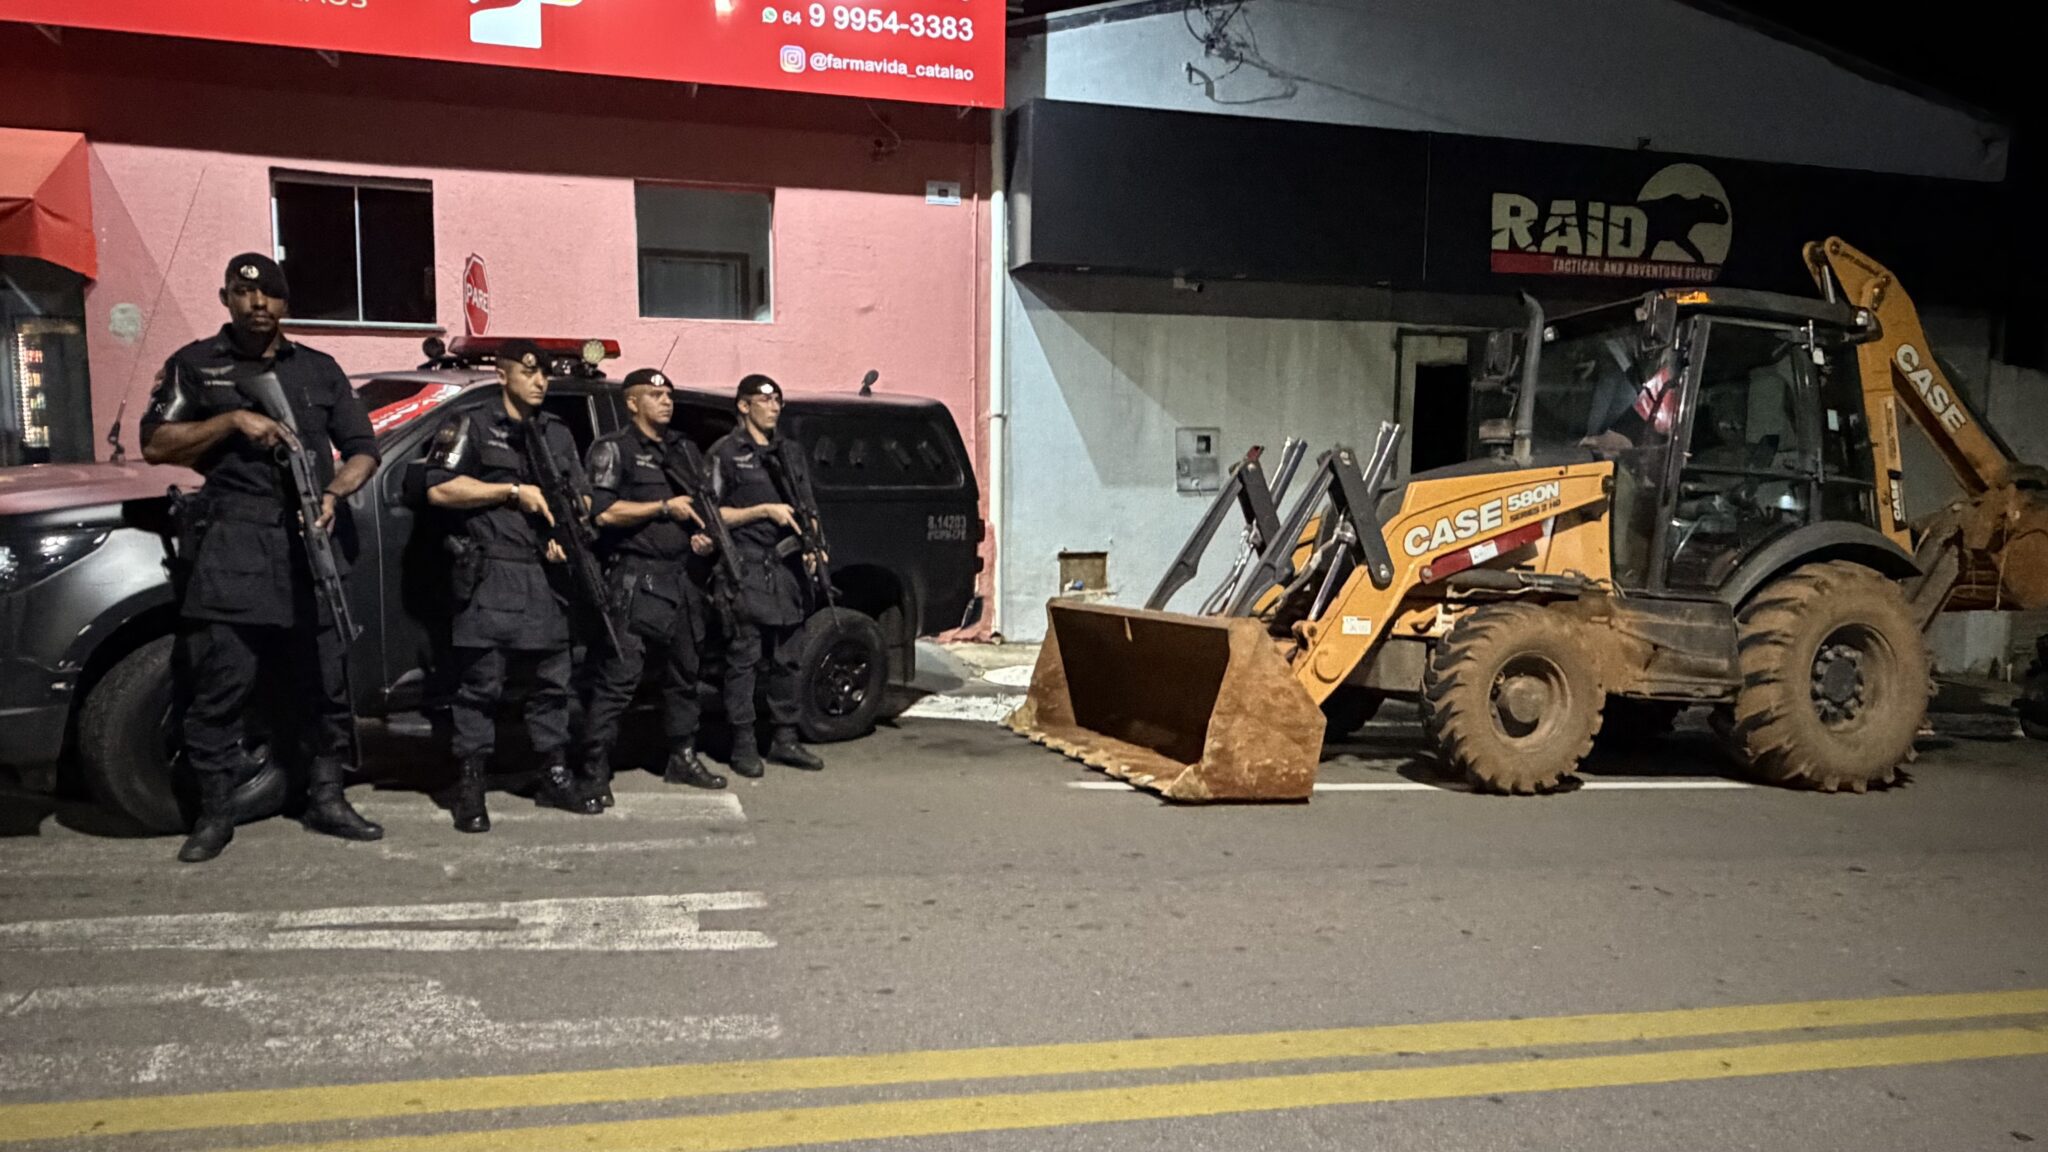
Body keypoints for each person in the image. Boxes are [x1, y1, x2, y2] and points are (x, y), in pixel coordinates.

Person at [140, 253, 384, 863]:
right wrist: (231, 420)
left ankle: (326, 797)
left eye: (270, 296)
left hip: (312, 543)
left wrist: (334, 492)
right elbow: (155, 443)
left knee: (325, 684)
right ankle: (215, 814)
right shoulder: (196, 365)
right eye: (244, 295)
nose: (257, 306)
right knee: (223, 684)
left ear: (284, 303)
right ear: (225, 297)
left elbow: (362, 449)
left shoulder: (320, 370)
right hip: (234, 547)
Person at [423, 339, 601, 830]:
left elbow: (582, 497)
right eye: (528, 372)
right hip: (492, 574)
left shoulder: (558, 434)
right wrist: (512, 491)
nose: (540, 381)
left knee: (552, 685)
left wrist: (567, 530)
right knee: (480, 686)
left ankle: (555, 775)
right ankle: (471, 784)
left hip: (545, 577)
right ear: (503, 375)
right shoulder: (474, 424)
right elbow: (439, 487)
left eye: (544, 373)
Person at [577, 369, 727, 803]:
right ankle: (593, 768)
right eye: (654, 394)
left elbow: (700, 507)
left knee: (685, 675)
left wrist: (701, 539)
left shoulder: (682, 450)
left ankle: (682, 755)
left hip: (680, 578)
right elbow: (602, 514)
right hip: (635, 579)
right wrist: (662, 507)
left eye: (668, 395)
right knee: (619, 679)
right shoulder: (614, 450)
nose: (666, 401)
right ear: (631, 403)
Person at [709, 374, 826, 777]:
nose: (774, 407)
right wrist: (762, 511)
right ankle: (743, 743)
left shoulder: (789, 453)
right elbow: (710, 514)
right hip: (746, 565)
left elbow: (807, 505)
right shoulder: (725, 454)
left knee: (788, 659)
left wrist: (815, 546)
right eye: (765, 400)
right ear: (744, 406)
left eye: (779, 399)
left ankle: (785, 739)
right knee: (743, 660)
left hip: (788, 569)